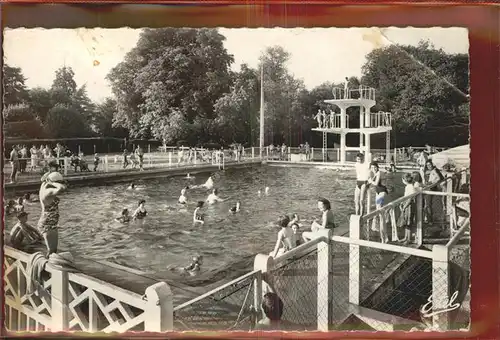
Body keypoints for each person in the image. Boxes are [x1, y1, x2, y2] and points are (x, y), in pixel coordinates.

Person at [37, 171, 67, 255]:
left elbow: (43, 179)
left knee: (54, 250)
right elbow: (62, 188)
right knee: (51, 251)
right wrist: (53, 182)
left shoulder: (43, 186)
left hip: (51, 223)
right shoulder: (48, 191)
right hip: (47, 224)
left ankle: (49, 265)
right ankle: (44, 267)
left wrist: (49, 177)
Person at [368, 162, 388, 243]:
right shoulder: (375, 173)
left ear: (377, 167)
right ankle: (381, 233)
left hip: (382, 193)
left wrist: (370, 180)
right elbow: (370, 183)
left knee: (380, 213)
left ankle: (384, 237)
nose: (374, 169)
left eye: (375, 167)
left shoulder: (378, 173)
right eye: (372, 167)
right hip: (378, 193)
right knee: (378, 212)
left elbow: (375, 183)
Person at [422, 159, 445, 224]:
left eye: (429, 164)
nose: (428, 166)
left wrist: (431, 182)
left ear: (432, 164)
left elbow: (439, 178)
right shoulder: (434, 170)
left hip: (430, 188)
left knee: (427, 205)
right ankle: (429, 219)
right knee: (429, 205)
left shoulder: (434, 170)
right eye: (427, 165)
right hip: (432, 188)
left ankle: (429, 220)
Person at [398, 173, 417, 244]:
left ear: (404, 180)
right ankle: (405, 237)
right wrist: (402, 204)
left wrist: (404, 207)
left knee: (409, 222)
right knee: (406, 221)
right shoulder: (407, 186)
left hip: (409, 206)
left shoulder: (411, 187)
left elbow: (410, 199)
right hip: (406, 205)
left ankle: (408, 239)